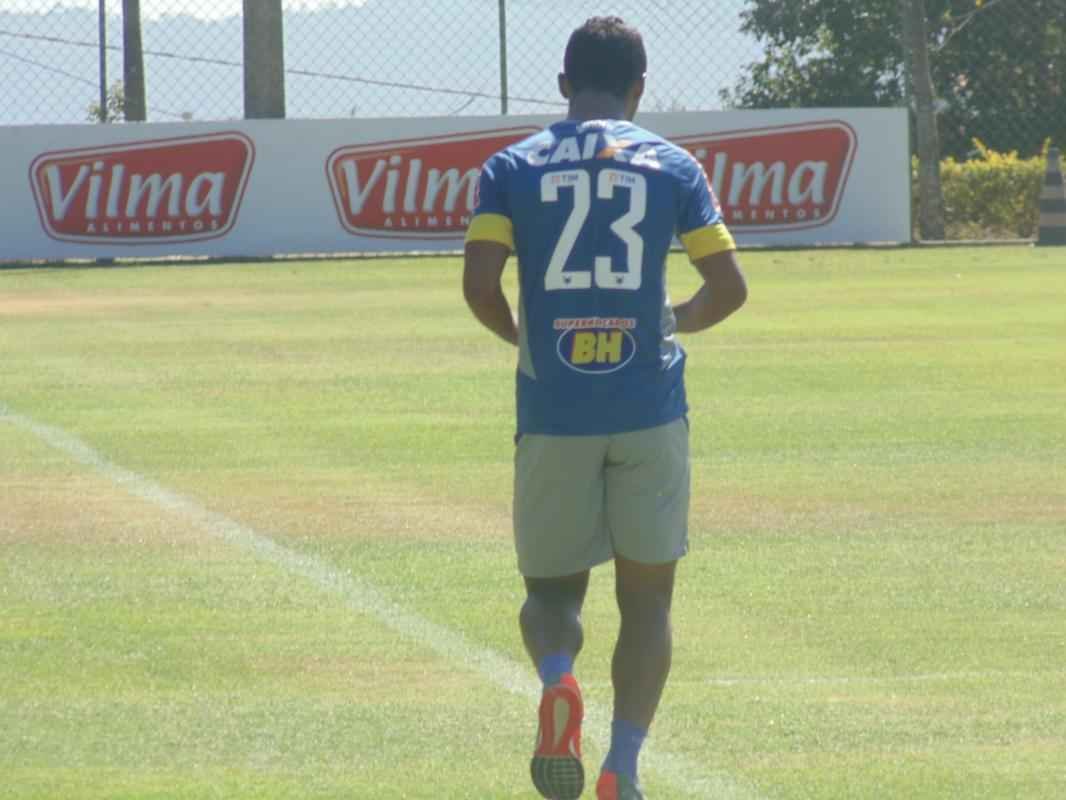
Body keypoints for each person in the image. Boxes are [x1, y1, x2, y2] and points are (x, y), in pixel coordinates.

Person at [463, 16, 747, 800]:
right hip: (648, 403)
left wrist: (526, 340)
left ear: (561, 86)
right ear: (639, 87)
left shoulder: (508, 166)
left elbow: (480, 287)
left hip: (554, 407)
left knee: (551, 593)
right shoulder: (674, 165)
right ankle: (623, 764)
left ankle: (558, 678)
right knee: (647, 598)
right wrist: (671, 321)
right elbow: (729, 290)